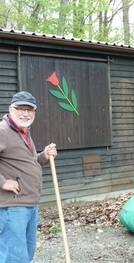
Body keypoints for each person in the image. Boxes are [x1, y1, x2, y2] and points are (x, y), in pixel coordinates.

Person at [0, 91, 57, 263]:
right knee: (14, 258)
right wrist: (2, 182)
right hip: (12, 207)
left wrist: (43, 156)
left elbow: (26, 162)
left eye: (29, 110)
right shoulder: (3, 131)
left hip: (29, 204)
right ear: (11, 109)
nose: (25, 113)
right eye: (20, 108)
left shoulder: (23, 131)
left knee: (26, 254)